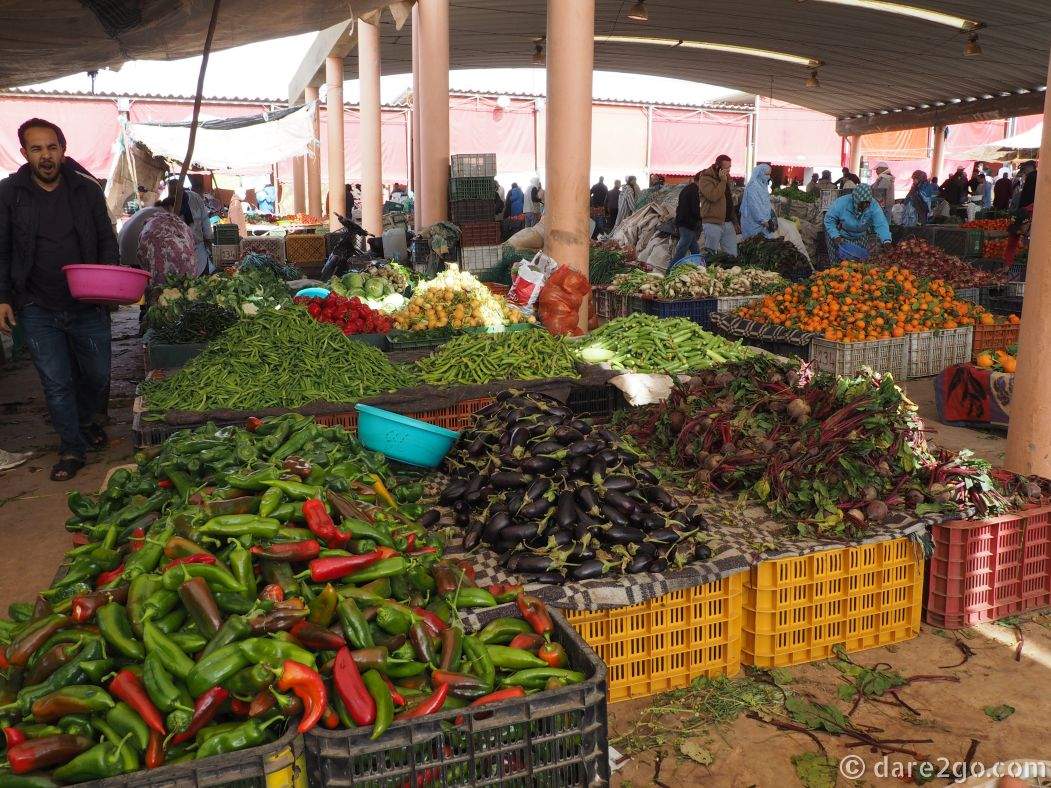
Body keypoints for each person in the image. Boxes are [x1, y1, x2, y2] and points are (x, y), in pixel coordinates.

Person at [0, 118, 118, 481]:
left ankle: (84, 423)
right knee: (56, 380)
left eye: (52, 147)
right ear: (24, 153)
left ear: (63, 150)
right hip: (37, 304)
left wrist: (109, 282)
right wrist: (3, 297)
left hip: (86, 302)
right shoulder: (9, 194)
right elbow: (2, 248)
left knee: (97, 374)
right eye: (36, 149)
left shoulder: (86, 188)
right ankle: (71, 447)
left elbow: (105, 239)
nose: (46, 156)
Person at [823, 183, 892, 261]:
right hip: (841, 235)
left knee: (860, 262)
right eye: (862, 204)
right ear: (856, 199)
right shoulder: (842, 202)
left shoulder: (874, 206)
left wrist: (886, 240)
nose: (865, 206)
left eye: (867, 203)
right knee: (838, 264)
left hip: (860, 235)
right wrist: (835, 235)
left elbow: (881, 224)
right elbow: (829, 220)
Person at [697, 154, 738, 255]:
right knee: (710, 254)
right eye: (726, 168)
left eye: (730, 167)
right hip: (712, 222)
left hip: (728, 222)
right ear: (718, 167)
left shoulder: (727, 179)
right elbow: (713, 196)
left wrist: (735, 221)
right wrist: (723, 182)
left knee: (732, 254)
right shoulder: (705, 179)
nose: (728, 170)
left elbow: (729, 201)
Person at [740, 163, 778, 240]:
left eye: (769, 174)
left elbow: (765, 203)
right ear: (760, 173)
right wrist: (763, 221)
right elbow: (754, 206)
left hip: (764, 222)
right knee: (754, 245)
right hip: (753, 223)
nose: (768, 177)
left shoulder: (763, 186)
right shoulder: (753, 187)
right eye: (766, 174)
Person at [671, 171, 702, 264]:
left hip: (684, 223)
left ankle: (698, 267)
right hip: (687, 224)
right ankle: (670, 270)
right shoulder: (694, 191)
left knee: (695, 249)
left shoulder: (687, 189)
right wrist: (703, 216)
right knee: (681, 251)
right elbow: (694, 210)